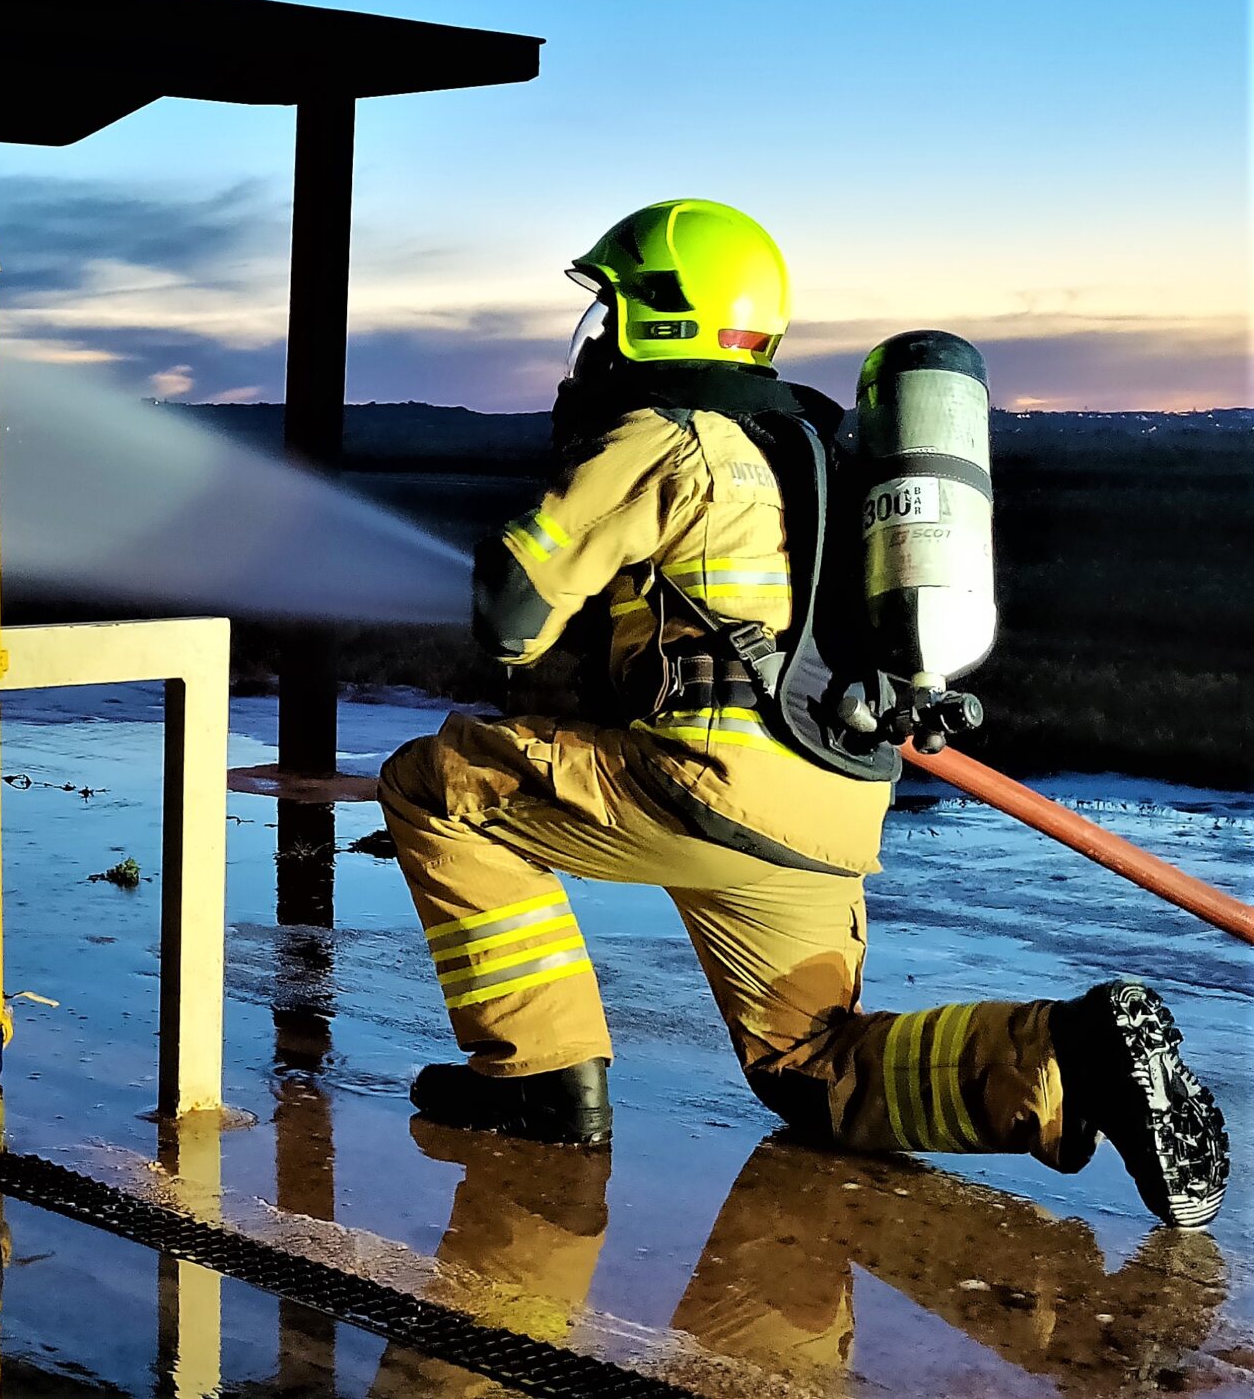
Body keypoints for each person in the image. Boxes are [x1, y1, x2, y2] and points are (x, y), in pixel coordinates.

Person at [375, 199, 1228, 1228]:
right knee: (810, 1067)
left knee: (435, 783)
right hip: (830, 802)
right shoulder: (819, 447)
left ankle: (536, 1077)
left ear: (657, 315)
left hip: (705, 782)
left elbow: (513, 617)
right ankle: (1065, 1054)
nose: (594, 337)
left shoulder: (668, 436)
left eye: (608, 310)